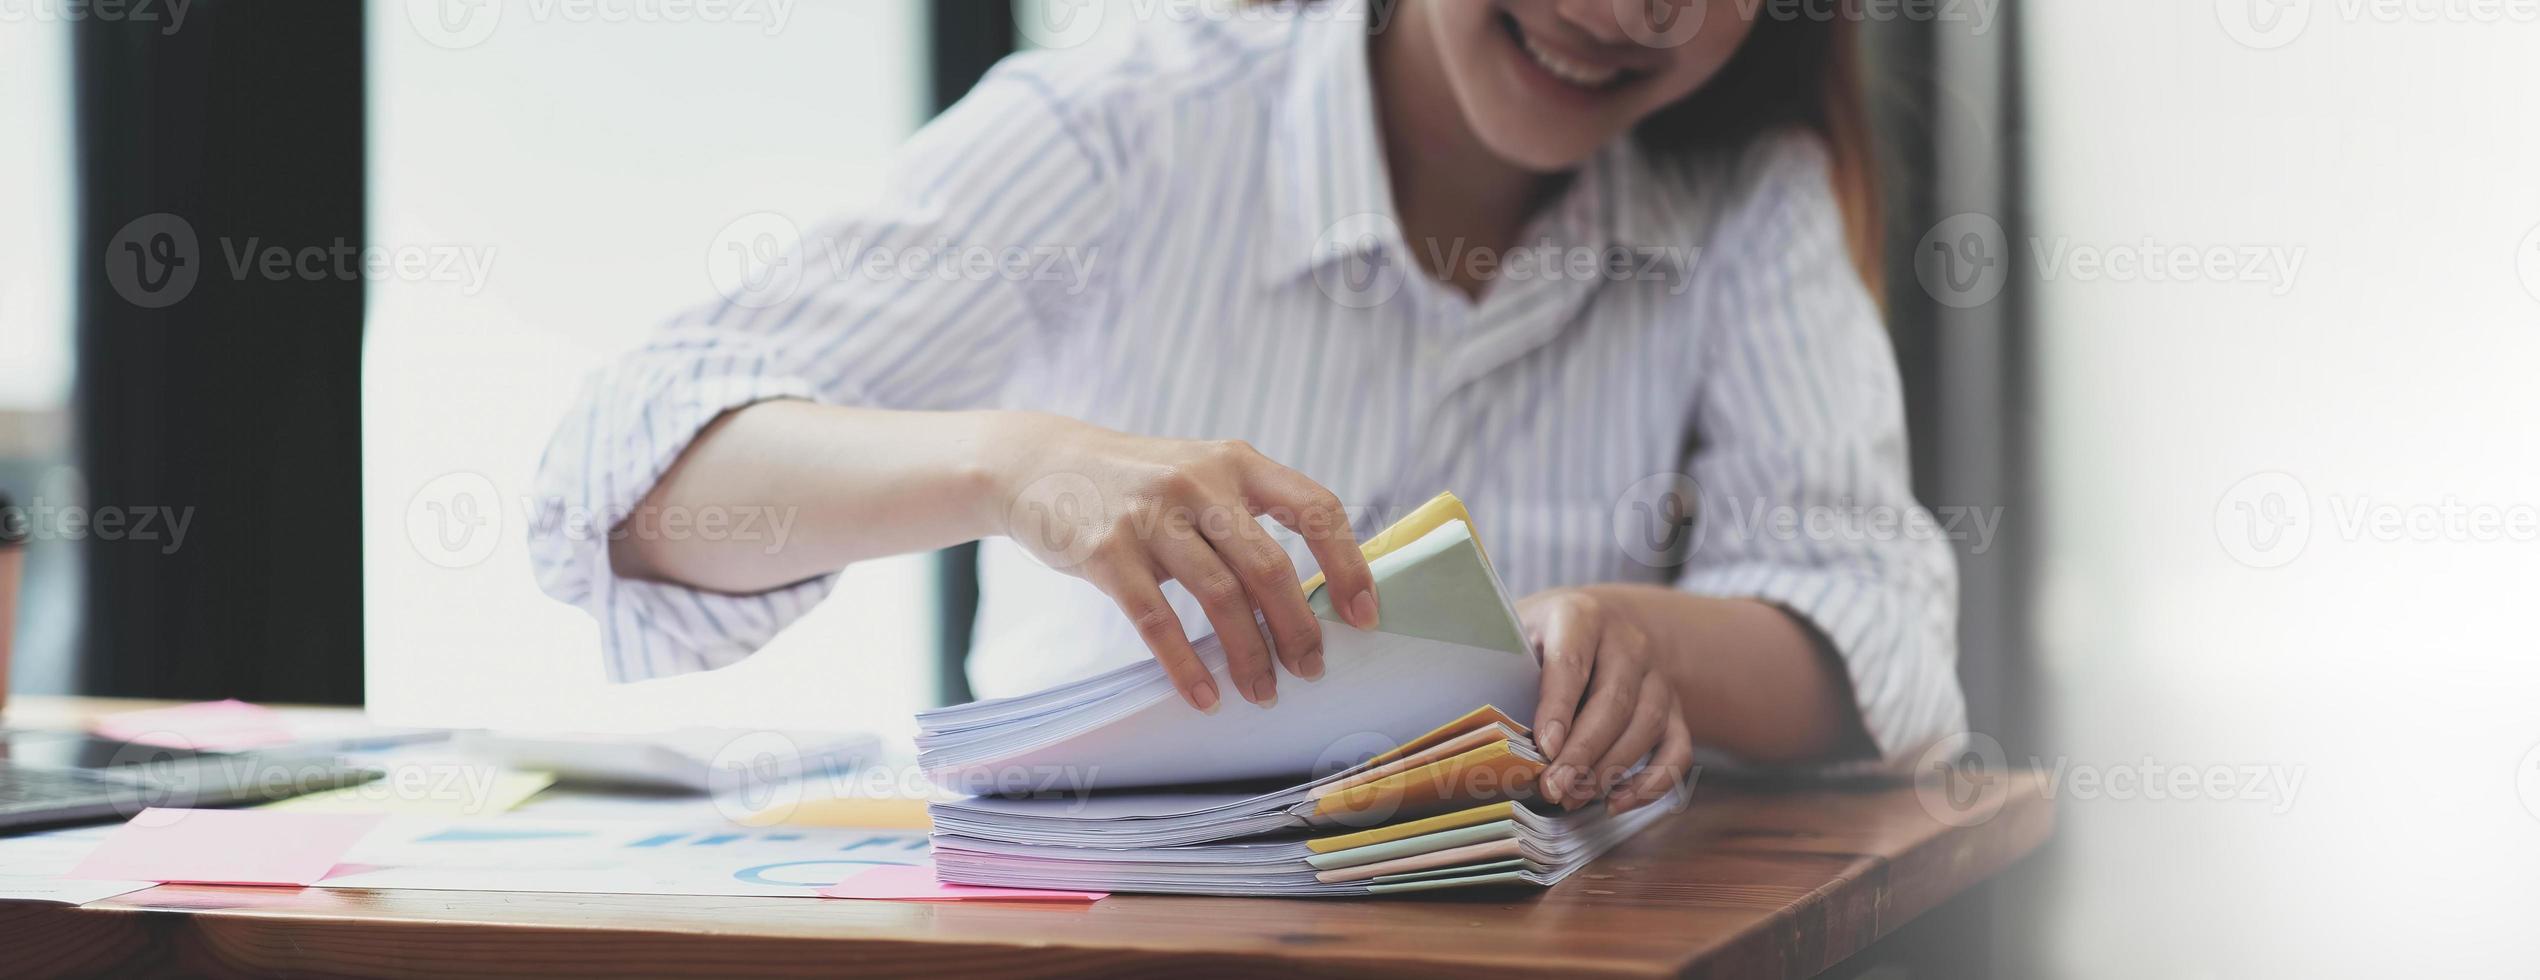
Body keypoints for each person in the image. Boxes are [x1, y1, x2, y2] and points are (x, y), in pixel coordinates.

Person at [532, 0, 1962, 813]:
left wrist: (1653, 642)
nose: (1636, 10)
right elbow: (626, 483)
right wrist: (1007, 465)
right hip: (1105, 942)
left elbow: (1876, 625)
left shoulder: (1744, 197)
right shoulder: (1125, 128)